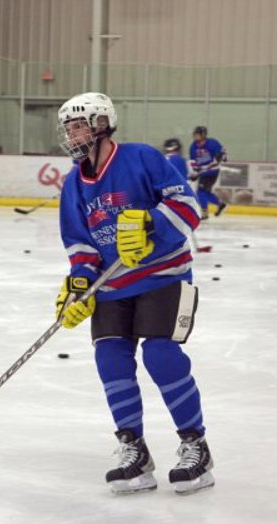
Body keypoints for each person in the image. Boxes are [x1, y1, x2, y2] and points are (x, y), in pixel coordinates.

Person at [55, 92, 213, 495]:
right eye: (68, 128)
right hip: (112, 286)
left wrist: (149, 224)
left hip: (164, 276)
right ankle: (134, 450)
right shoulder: (74, 183)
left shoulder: (141, 157)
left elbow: (188, 206)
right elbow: (80, 245)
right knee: (110, 356)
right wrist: (78, 284)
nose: (72, 135)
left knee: (160, 353)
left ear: (102, 124)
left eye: (79, 126)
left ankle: (195, 445)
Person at [189, 126, 227, 219]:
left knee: (200, 191)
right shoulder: (193, 146)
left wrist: (222, 157)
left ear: (203, 135)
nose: (195, 136)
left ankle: (204, 213)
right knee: (205, 192)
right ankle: (220, 204)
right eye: (195, 134)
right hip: (203, 172)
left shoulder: (212, 143)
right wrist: (194, 172)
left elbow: (223, 153)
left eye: (197, 134)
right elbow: (193, 161)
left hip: (212, 171)